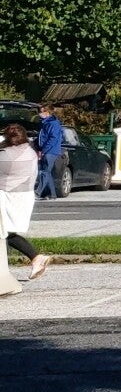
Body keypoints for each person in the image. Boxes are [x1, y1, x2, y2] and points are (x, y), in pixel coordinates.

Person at [2, 122, 52, 285]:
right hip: (25, 195)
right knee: (7, 232)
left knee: (5, 232)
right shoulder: (30, 152)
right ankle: (35, 258)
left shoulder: (5, 156)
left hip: (8, 197)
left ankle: (33, 258)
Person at [33, 102, 66, 199]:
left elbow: (53, 138)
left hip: (51, 151)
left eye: (41, 111)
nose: (39, 113)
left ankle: (38, 193)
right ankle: (52, 194)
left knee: (44, 172)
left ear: (47, 112)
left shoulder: (53, 123)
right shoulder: (45, 123)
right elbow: (42, 137)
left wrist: (44, 149)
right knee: (47, 172)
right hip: (48, 150)